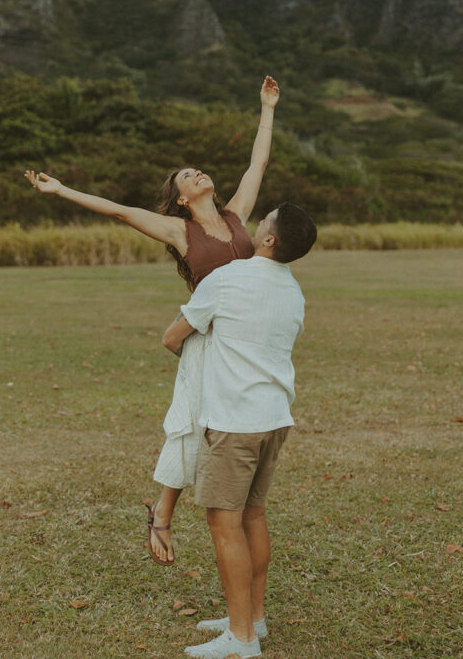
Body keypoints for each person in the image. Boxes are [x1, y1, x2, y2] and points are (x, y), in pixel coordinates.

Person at [24, 76, 279, 564]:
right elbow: (121, 212)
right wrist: (61, 191)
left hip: (250, 340)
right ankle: (161, 515)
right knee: (190, 425)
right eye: (187, 175)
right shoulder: (178, 230)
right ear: (182, 197)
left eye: (199, 169)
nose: (197, 173)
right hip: (209, 339)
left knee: (233, 428)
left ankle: (218, 508)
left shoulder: (236, 216)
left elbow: (258, 163)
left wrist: (266, 108)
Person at [162, 202, 317, 659]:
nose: (252, 226)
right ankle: (254, 618)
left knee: (224, 524)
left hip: (234, 423)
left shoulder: (226, 280)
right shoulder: (293, 290)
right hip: (273, 419)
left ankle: (241, 640)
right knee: (253, 515)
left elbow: (173, 338)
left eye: (263, 221)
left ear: (269, 240)